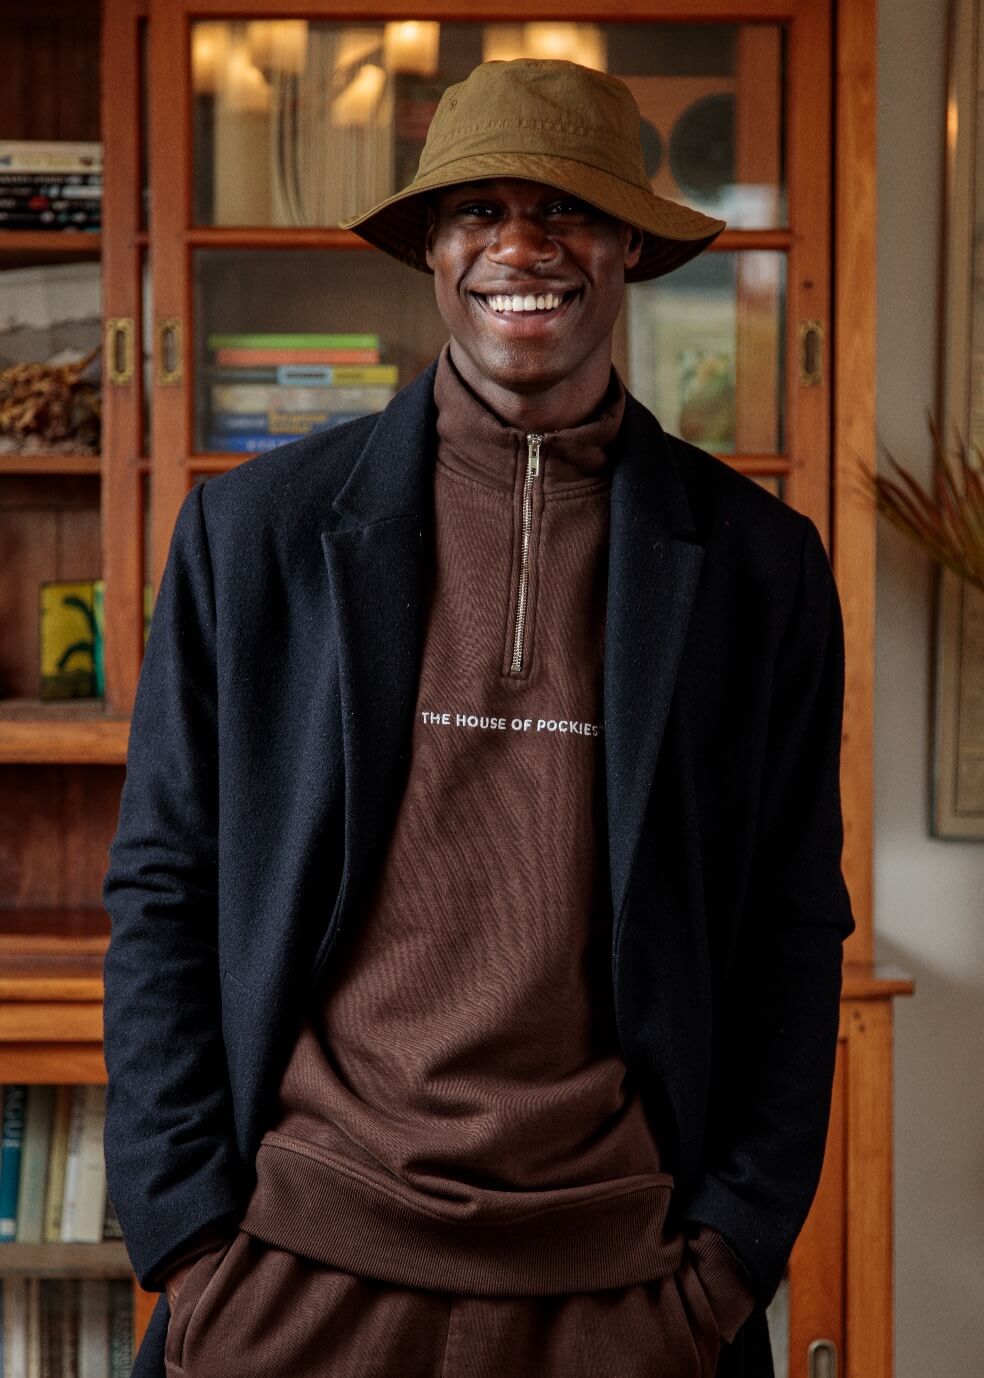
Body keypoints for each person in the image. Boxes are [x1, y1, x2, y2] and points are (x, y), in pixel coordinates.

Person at [102, 57, 855, 1378]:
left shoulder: (759, 567)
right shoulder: (252, 536)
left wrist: (728, 1264)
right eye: (479, 211)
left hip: (626, 1295)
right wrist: (191, 1247)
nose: (522, 246)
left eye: (566, 208)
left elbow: (795, 929)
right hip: (296, 1277)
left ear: (629, 243)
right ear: (434, 251)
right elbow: (164, 888)